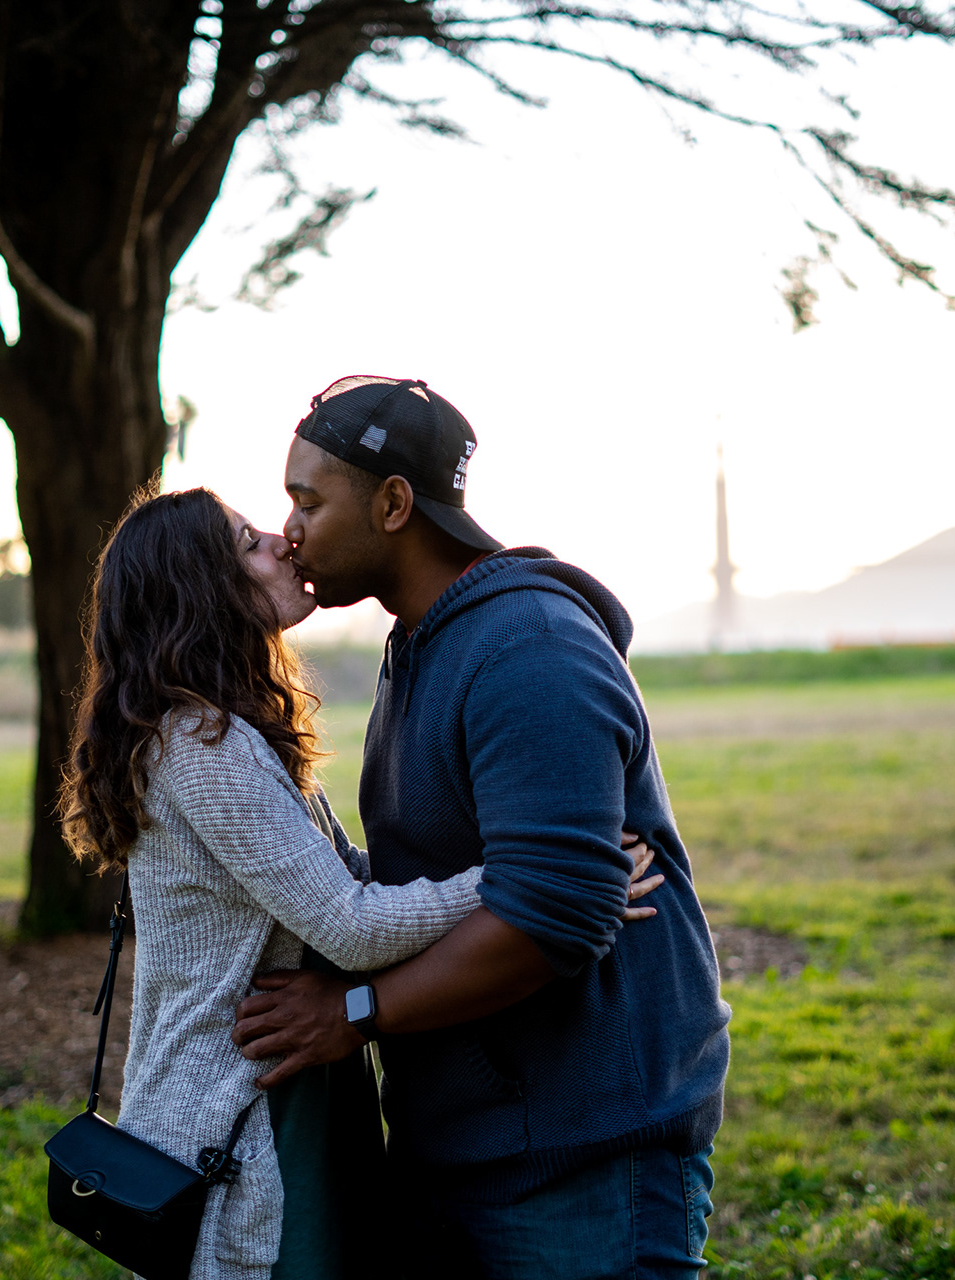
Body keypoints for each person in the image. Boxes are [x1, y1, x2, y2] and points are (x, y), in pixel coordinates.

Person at [57, 485, 662, 1280]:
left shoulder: (221, 730)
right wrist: (533, 878)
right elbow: (352, 924)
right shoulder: (201, 745)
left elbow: (342, 879)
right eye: (247, 542)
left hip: (286, 1080)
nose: (281, 541)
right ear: (198, 589)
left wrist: (542, 864)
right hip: (240, 1112)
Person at [231, 376, 733, 1280]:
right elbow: (427, 877)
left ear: (392, 505)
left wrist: (353, 1013)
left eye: (308, 501)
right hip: (463, 1145)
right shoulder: (422, 644)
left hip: (582, 1162)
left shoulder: (529, 645)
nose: (289, 530)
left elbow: (553, 914)